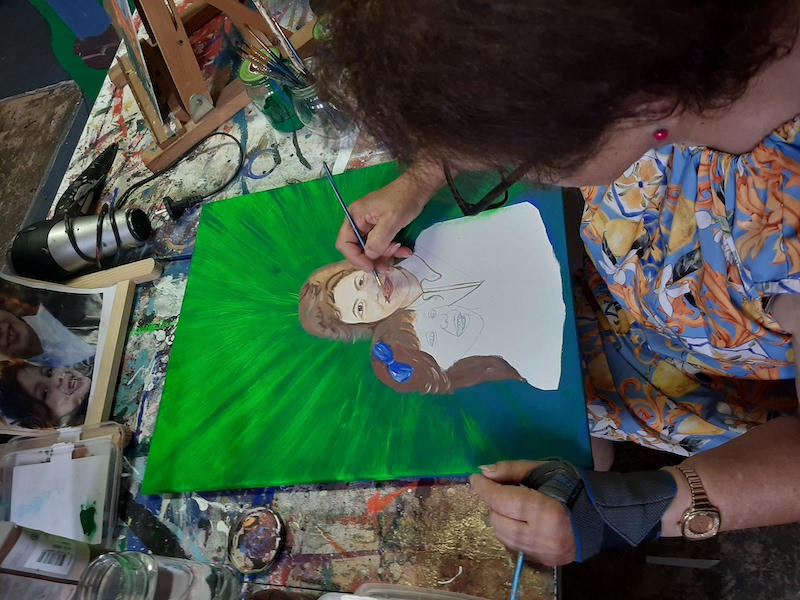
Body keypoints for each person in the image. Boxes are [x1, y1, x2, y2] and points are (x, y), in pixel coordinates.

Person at [312, 0, 800, 565]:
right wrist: (421, 178)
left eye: (525, 163)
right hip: (597, 325)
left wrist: (629, 510)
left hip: (705, 389)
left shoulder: (779, 231)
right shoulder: (642, 59)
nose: (534, 176)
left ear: (617, 106)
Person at [299, 203, 566, 392]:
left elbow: (526, 218)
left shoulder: (432, 238)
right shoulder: (429, 338)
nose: (372, 293)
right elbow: (538, 366)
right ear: (368, 323)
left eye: (360, 282)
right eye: (360, 308)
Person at [0, 360, 91, 428]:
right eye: (45, 393)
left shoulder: (90, 364)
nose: (57, 379)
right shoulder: (83, 437)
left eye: (49, 372)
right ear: (44, 421)